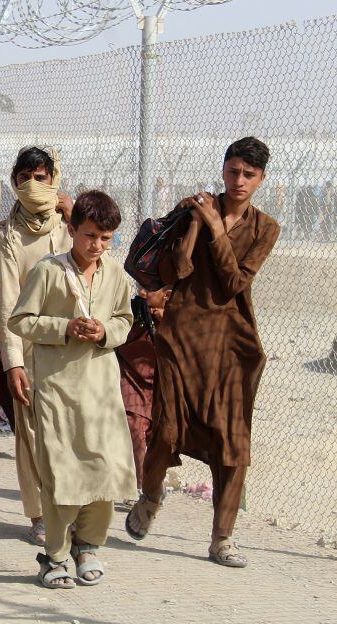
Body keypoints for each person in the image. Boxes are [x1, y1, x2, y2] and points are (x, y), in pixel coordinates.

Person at [126, 137, 281, 568]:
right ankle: (151, 496)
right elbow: (176, 270)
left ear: (261, 179)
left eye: (249, 174)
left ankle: (222, 538)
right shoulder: (196, 210)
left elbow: (234, 282)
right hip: (180, 336)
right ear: (223, 170)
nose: (239, 181)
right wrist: (194, 222)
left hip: (232, 345)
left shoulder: (265, 227)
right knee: (169, 431)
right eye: (233, 171)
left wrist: (216, 228)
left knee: (233, 443)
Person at [8, 190, 136, 589]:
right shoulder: (49, 271)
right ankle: (56, 556)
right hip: (58, 391)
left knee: (105, 471)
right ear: (72, 229)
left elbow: (124, 320)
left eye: (105, 238)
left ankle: (90, 546)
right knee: (62, 475)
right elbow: (20, 320)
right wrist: (63, 328)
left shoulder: (115, 273)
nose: (96, 245)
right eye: (89, 235)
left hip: (101, 391)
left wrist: (104, 331)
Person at [0, 146, 74, 546]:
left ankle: (71, 508)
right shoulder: (9, 235)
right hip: (29, 350)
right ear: (14, 183)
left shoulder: (70, 226)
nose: (34, 186)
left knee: (70, 433)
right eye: (26, 179)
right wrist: (13, 364)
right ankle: (40, 514)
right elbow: (7, 303)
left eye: (41, 178)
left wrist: (73, 216)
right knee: (31, 435)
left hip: (72, 348)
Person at [115, 286, 169, 490]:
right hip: (131, 378)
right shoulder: (134, 310)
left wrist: (163, 320)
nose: (143, 292)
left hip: (159, 384)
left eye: (150, 289)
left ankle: (152, 482)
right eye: (141, 287)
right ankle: (140, 485)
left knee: (157, 436)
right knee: (135, 429)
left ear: (166, 294)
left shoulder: (176, 315)